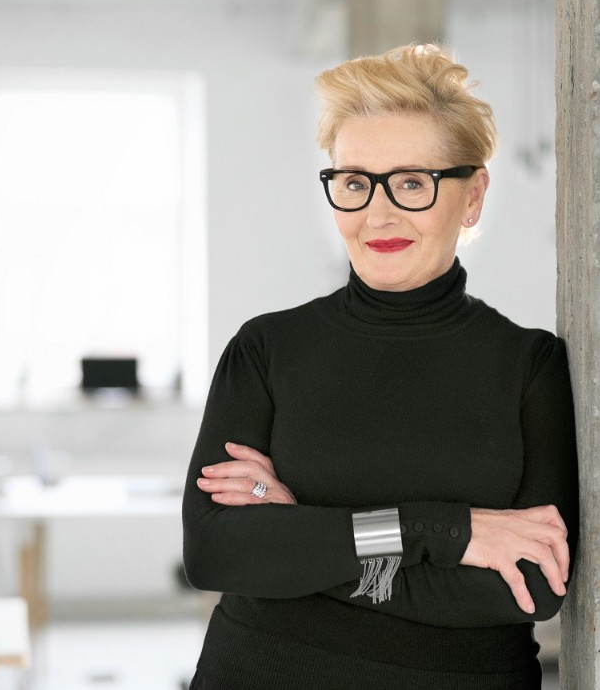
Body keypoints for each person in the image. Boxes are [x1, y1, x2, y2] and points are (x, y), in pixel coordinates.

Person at [181, 44, 579, 689]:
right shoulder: (266, 349)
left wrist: (303, 542)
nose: (378, 213)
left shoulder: (530, 366)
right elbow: (216, 553)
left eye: (413, 183)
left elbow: (531, 586)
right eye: (355, 183)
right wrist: (441, 532)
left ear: (473, 196)